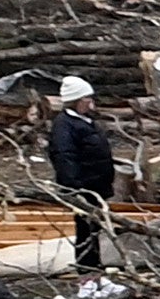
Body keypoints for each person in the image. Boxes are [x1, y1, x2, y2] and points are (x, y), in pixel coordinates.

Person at [44, 80, 121, 273]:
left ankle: (97, 274)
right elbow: (64, 157)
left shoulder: (86, 122)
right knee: (85, 233)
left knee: (95, 231)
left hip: (97, 187)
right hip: (83, 188)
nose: (91, 101)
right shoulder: (64, 126)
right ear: (77, 101)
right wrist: (74, 188)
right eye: (87, 97)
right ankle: (87, 277)